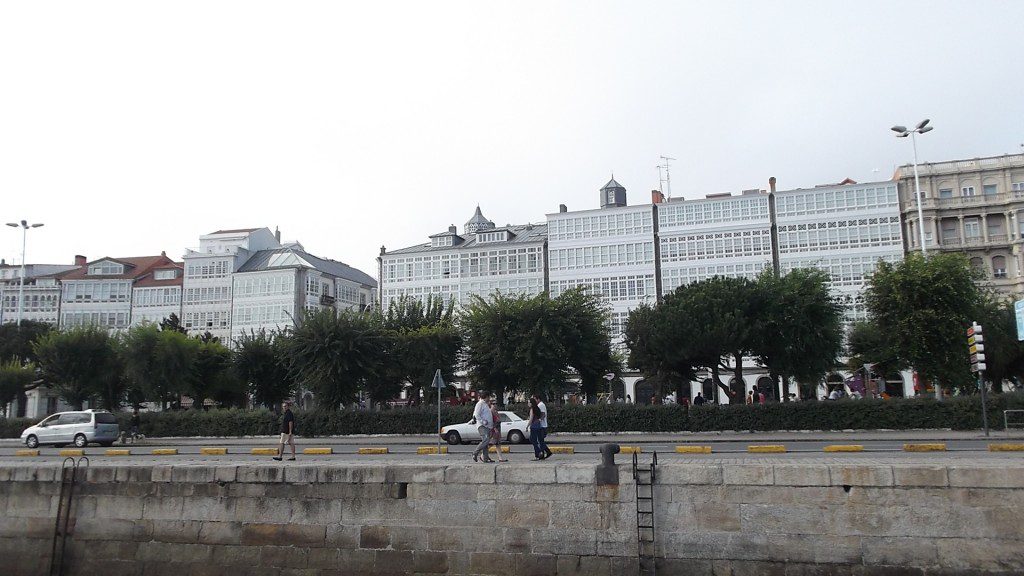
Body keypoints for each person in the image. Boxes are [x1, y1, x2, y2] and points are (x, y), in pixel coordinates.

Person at [472, 393, 495, 463]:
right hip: (482, 425)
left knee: (486, 442)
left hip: (487, 426)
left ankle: (485, 458)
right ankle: (475, 453)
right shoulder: (480, 404)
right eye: (489, 397)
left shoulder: (485, 404)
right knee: (486, 440)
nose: (489, 399)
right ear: (486, 397)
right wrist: (482, 421)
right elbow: (476, 414)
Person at [528, 395, 551, 459]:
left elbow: (543, 414)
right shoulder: (538, 405)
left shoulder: (541, 405)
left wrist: (538, 420)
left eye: (535, 399)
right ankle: (544, 453)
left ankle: (544, 452)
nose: (534, 401)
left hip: (542, 425)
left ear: (538, 399)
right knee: (540, 441)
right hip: (540, 425)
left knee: (538, 440)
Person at [488, 397, 507, 462]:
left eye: (496, 403)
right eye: (493, 404)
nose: (495, 405)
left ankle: (500, 458)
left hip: (498, 428)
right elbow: (490, 421)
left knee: (498, 443)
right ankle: (483, 455)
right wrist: (494, 428)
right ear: (491, 404)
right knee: (492, 443)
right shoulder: (490, 412)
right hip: (494, 429)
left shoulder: (496, 411)